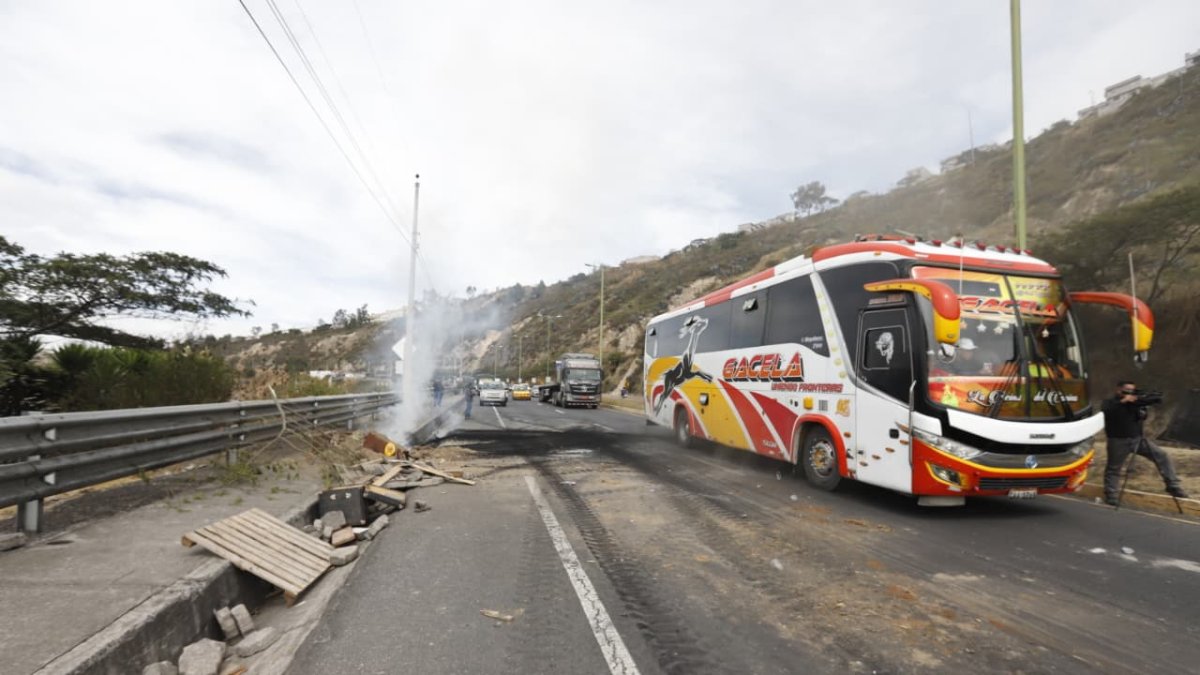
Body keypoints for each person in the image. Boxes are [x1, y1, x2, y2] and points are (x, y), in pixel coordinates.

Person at [1101, 380, 1189, 505]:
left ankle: (1173, 485)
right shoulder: (1110, 402)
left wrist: (1144, 400)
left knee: (1161, 455)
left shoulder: (1136, 402)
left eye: (1132, 390)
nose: (1130, 392)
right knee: (1114, 468)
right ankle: (1111, 495)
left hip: (1138, 439)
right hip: (1118, 440)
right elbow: (1106, 411)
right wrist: (1123, 401)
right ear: (1119, 389)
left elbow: (1154, 401)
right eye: (1127, 390)